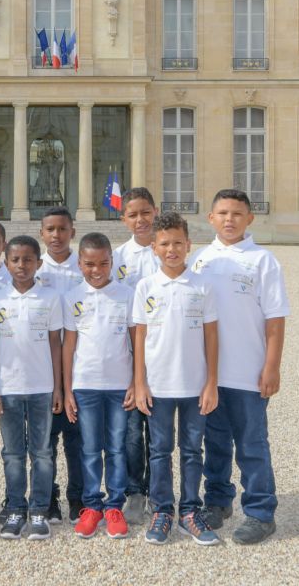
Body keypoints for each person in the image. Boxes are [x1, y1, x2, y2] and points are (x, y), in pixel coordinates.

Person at [190, 188, 287, 545]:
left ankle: (261, 512)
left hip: (248, 371)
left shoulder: (263, 261)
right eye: (222, 213)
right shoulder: (200, 259)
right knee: (214, 442)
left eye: (236, 213)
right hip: (209, 375)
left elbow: (275, 320)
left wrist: (271, 367)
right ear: (211, 218)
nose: (229, 219)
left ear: (250, 218)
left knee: (251, 443)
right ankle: (217, 501)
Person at [130, 211, 221, 547]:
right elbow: (139, 338)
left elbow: (212, 337)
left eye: (178, 243)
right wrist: (139, 383)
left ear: (188, 245)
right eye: (165, 243)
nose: (172, 249)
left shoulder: (202, 286)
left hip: (195, 385)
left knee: (192, 451)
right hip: (158, 386)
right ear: (154, 247)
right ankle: (163, 510)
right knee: (159, 450)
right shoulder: (145, 287)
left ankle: (189, 511)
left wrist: (212, 382)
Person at [0, 235, 62, 541]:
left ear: (38, 263)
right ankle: (16, 507)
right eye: (15, 260)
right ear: (6, 264)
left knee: (42, 452)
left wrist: (58, 388)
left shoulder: (51, 298)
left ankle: (40, 509)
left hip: (42, 387)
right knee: (13, 453)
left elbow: (56, 344)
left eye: (28, 259)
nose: (21, 265)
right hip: (9, 387)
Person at [60, 232, 135, 539]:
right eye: (90, 264)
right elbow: (68, 346)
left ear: (111, 262)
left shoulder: (127, 294)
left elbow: (136, 340)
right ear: (80, 264)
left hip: (119, 385)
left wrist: (136, 382)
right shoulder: (72, 297)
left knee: (116, 448)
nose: (97, 270)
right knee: (90, 449)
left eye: (103, 263)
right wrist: (66, 391)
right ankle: (92, 505)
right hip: (85, 385)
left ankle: (115, 505)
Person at [111, 186, 159, 521]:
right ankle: (135, 491)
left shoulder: (169, 250)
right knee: (130, 430)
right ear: (123, 218)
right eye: (132, 214)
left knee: (159, 429)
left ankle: (159, 490)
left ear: (155, 211)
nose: (140, 220)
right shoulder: (117, 258)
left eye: (145, 212)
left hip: (164, 350)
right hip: (127, 352)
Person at [36, 207, 83, 523]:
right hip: (44, 368)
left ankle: (78, 498)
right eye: (50, 229)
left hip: (81, 368)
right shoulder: (32, 267)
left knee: (79, 442)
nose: (56, 235)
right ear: (42, 233)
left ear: (72, 232)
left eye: (62, 229)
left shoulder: (87, 265)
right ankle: (49, 496)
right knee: (46, 441)